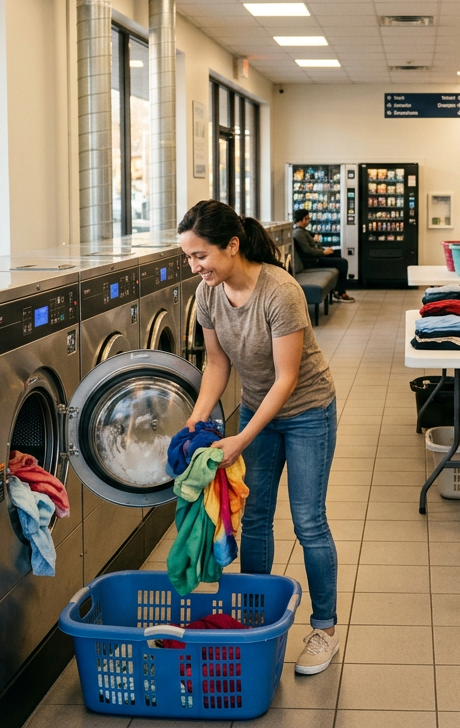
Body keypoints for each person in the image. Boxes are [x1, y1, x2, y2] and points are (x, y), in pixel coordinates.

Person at [178, 200, 342, 674]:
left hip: (308, 410)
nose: (195, 267)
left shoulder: (280, 291)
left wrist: (241, 438)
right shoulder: (206, 294)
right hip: (257, 408)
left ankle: (325, 630)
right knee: (255, 519)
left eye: (201, 255)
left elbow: (286, 378)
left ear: (232, 246)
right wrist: (199, 415)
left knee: (309, 521)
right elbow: (216, 363)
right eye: (189, 257)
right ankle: (252, 620)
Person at [292, 208, 355, 303]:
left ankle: (337, 291)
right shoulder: (299, 233)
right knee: (343, 263)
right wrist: (323, 252)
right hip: (313, 262)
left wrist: (317, 244)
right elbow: (308, 251)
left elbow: (309, 245)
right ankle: (340, 293)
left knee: (336, 255)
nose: (308, 221)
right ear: (301, 219)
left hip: (315, 259)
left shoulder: (302, 231)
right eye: (306, 219)